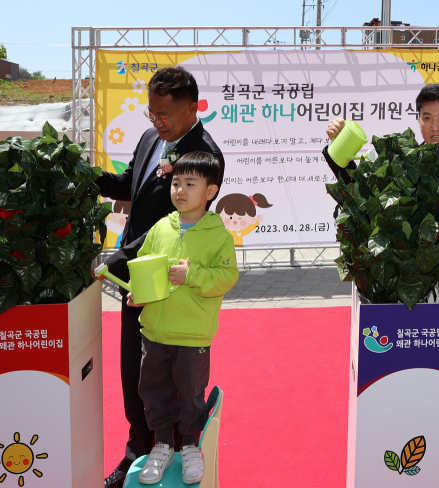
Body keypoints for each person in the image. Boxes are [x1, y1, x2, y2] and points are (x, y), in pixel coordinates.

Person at [96, 66, 225, 488]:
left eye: (164, 115)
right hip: (134, 279)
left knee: (170, 377)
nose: (156, 122)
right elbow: (128, 186)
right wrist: (86, 177)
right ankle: (139, 451)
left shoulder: (204, 156)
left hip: (167, 286)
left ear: (193, 108)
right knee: (136, 374)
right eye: (151, 113)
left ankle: (169, 453)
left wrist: (112, 264)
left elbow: (171, 229)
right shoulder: (152, 138)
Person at [323, 83, 439, 364]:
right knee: (408, 360)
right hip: (406, 279)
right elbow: (364, 191)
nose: (435, 126)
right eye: (427, 118)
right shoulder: (402, 158)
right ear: (418, 121)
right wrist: (338, 145)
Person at [127, 151, 239, 485]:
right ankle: (162, 445)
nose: (180, 190)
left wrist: (192, 274)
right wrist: (139, 292)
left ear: (210, 191)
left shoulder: (218, 235)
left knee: (190, 392)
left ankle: (190, 445)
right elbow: (146, 265)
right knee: (153, 389)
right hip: (155, 332)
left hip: (192, 335)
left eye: (190, 183)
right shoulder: (162, 227)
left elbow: (226, 277)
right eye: (176, 182)